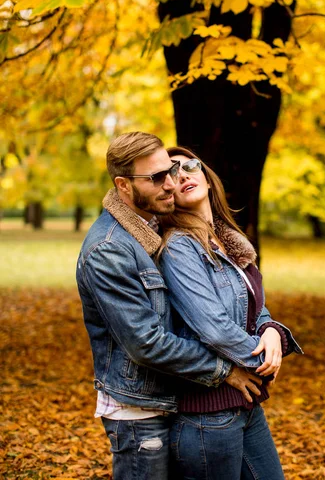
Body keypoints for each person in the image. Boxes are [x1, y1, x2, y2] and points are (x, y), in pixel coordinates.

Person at [76, 132, 270, 480]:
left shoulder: (150, 228)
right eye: (158, 177)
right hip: (140, 413)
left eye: (172, 171)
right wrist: (229, 370)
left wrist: (272, 331)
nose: (171, 183)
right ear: (123, 185)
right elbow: (146, 343)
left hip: (174, 398)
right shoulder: (109, 249)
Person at [158, 147, 303, 480]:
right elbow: (214, 328)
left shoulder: (228, 240)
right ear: (166, 194)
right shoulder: (179, 247)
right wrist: (263, 362)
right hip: (208, 416)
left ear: (207, 176)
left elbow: (256, 307)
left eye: (189, 166)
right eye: (170, 173)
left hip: (245, 404)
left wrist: (273, 333)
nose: (182, 175)